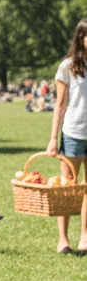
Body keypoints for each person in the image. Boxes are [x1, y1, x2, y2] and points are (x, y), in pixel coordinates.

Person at [46, 17, 87, 253]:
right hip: (72, 133)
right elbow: (60, 104)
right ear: (80, 38)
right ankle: (63, 239)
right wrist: (53, 138)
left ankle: (84, 236)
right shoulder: (68, 66)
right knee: (67, 189)